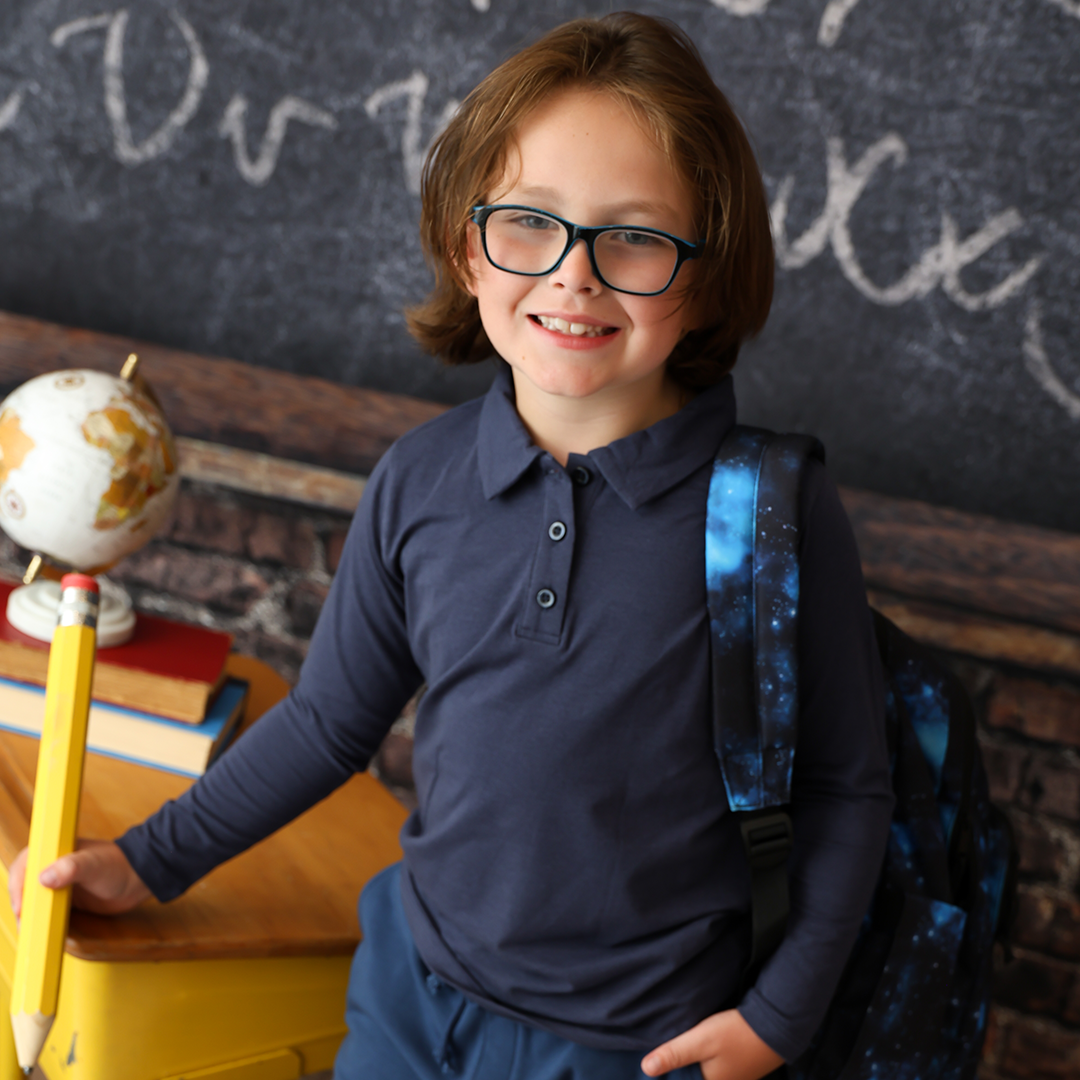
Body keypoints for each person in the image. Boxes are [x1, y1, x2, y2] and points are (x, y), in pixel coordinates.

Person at [8, 13, 894, 1080]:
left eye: (635, 237)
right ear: (468, 247)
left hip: (637, 1049)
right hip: (409, 999)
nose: (574, 275)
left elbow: (846, 786)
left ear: (704, 275)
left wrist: (779, 1021)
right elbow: (331, 722)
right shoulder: (420, 481)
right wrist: (148, 860)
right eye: (530, 223)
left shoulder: (773, 515)